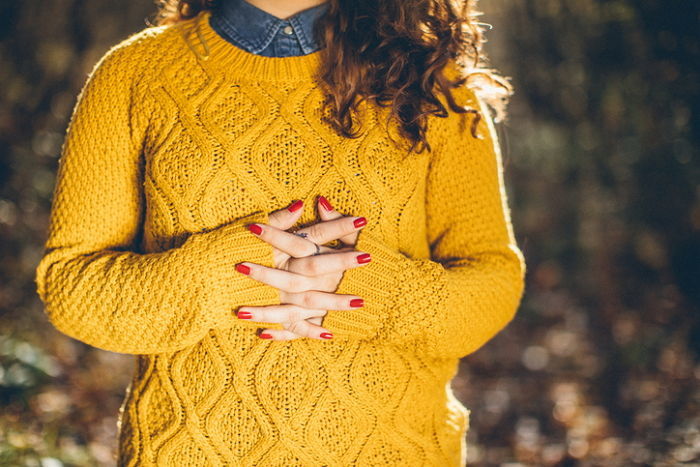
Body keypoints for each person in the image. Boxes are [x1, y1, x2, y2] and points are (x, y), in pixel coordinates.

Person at [34, 0, 527, 465]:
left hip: (395, 450)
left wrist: (378, 291)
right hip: (189, 451)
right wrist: (225, 276)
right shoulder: (136, 72)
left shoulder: (431, 84)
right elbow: (72, 285)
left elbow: (493, 278)